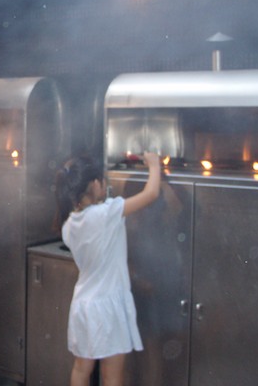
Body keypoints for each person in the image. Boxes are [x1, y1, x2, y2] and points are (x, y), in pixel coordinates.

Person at [54, 151, 161, 386]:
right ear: (95, 184)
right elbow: (151, 193)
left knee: (81, 369)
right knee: (111, 376)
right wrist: (155, 164)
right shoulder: (105, 214)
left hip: (83, 305)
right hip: (108, 308)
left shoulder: (69, 225)